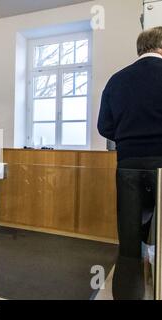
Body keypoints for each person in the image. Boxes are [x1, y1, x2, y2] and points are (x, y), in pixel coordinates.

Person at [97, 26, 162, 300]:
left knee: (129, 243)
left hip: (128, 164)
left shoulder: (117, 80)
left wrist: (127, 137)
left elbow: (104, 127)